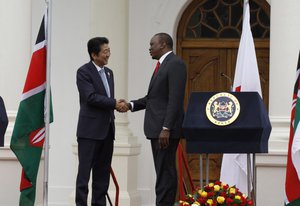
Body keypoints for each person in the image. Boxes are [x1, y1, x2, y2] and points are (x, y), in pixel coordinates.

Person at [127, 33, 187, 205]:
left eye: (152, 44)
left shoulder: (175, 64)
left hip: (164, 131)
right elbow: (153, 98)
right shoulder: (162, 65)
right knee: (162, 173)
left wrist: (166, 128)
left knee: (166, 173)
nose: (149, 48)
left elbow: (175, 99)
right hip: (157, 130)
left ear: (163, 45)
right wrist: (130, 105)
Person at [75, 37, 126, 206]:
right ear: (94, 54)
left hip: (107, 131)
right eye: (105, 52)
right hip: (89, 132)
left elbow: (106, 99)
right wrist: (114, 103)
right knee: (84, 175)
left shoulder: (110, 73)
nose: (108, 55)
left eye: (109, 51)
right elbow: (90, 97)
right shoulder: (83, 72)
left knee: (102, 175)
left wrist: (116, 104)